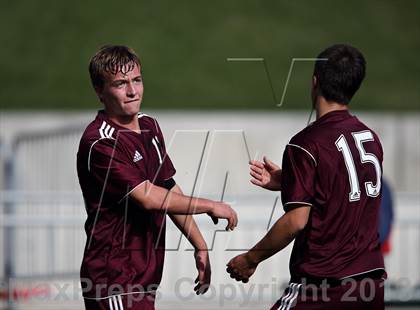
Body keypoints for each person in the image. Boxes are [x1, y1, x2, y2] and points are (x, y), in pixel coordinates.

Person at [77, 45, 237, 310]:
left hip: (144, 277)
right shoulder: (101, 142)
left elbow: (168, 188)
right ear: (99, 91)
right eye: (120, 83)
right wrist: (210, 205)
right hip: (113, 279)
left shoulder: (150, 125)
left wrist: (199, 244)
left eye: (136, 80)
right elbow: (149, 197)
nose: (132, 91)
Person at [227, 44, 386, 309]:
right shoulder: (370, 139)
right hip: (370, 285)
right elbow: (340, 187)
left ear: (315, 82)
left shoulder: (305, 144)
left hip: (323, 286)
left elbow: (296, 221)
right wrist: (291, 181)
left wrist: (250, 259)